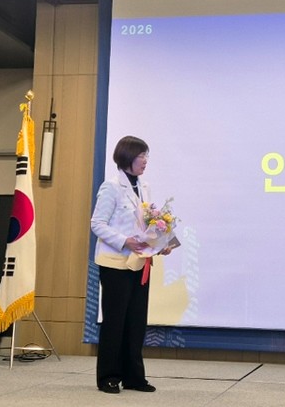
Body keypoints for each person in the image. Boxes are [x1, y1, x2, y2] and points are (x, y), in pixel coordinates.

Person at [91, 136, 177, 394]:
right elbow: (97, 224)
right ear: (127, 157)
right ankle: (108, 376)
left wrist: (162, 243)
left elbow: (147, 225)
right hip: (115, 263)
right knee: (115, 321)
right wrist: (124, 241)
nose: (145, 161)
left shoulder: (144, 187)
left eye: (146, 156)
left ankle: (134, 377)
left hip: (139, 262)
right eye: (141, 156)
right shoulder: (111, 187)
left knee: (136, 321)